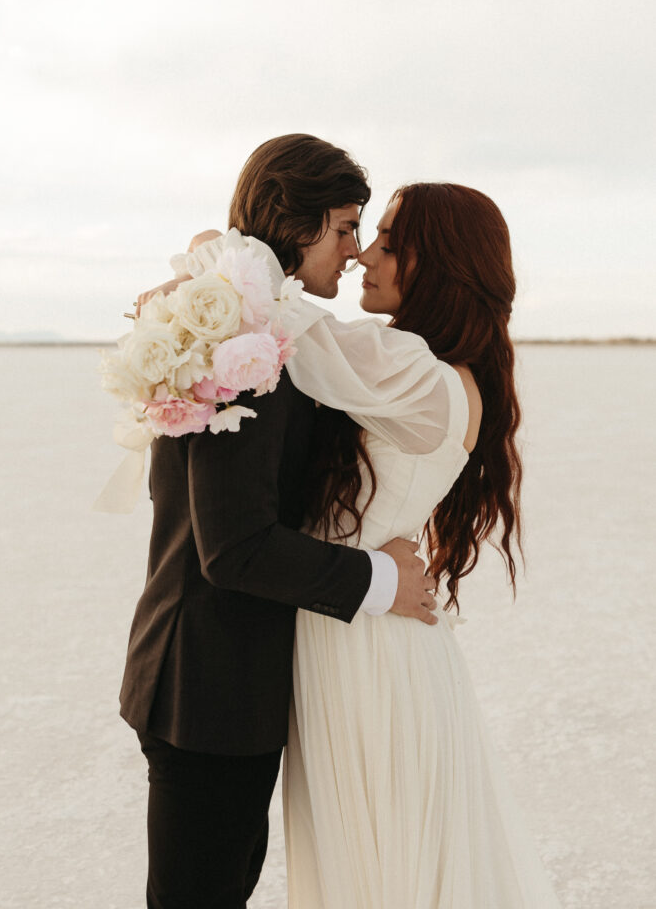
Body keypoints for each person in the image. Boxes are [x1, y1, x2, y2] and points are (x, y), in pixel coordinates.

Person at [192, 183, 561, 906]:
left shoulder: (422, 376)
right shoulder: (412, 365)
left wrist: (214, 250)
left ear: (442, 262)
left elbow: (287, 325)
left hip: (369, 651)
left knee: (380, 860)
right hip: (348, 624)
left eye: (388, 242)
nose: (363, 257)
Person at [119, 135, 445, 909]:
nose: (354, 250)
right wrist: (381, 581)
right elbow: (234, 549)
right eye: (342, 228)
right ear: (292, 225)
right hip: (207, 688)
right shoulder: (246, 344)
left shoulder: (256, 321)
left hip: (216, 677)